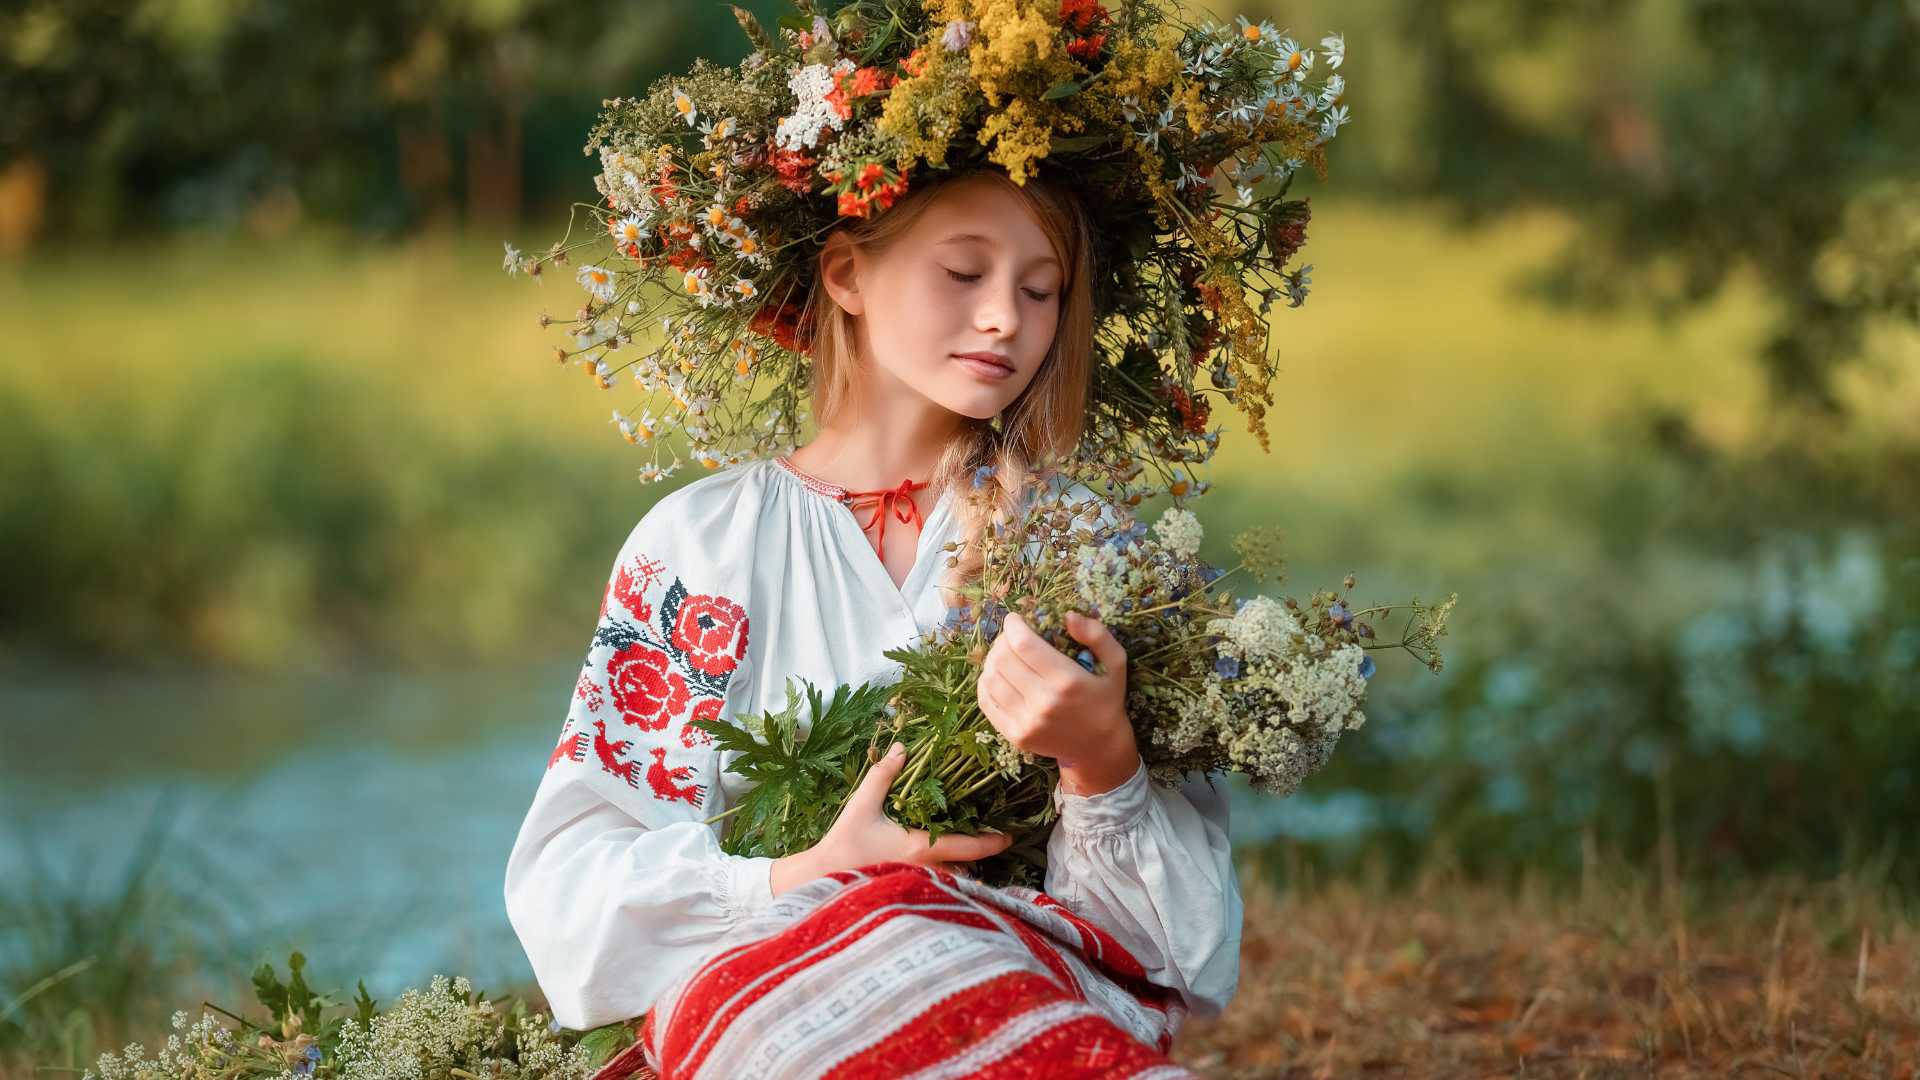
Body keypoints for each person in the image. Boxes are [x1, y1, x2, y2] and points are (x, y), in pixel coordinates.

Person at [502, 167, 1242, 1076]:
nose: (1006, 316)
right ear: (847, 274)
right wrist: (801, 874)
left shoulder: (1084, 544)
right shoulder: (704, 544)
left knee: (936, 945)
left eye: (1039, 289)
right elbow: (566, 887)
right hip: (779, 993)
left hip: (1018, 986)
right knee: (862, 945)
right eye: (965, 274)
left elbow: (1184, 953)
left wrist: (1100, 761)